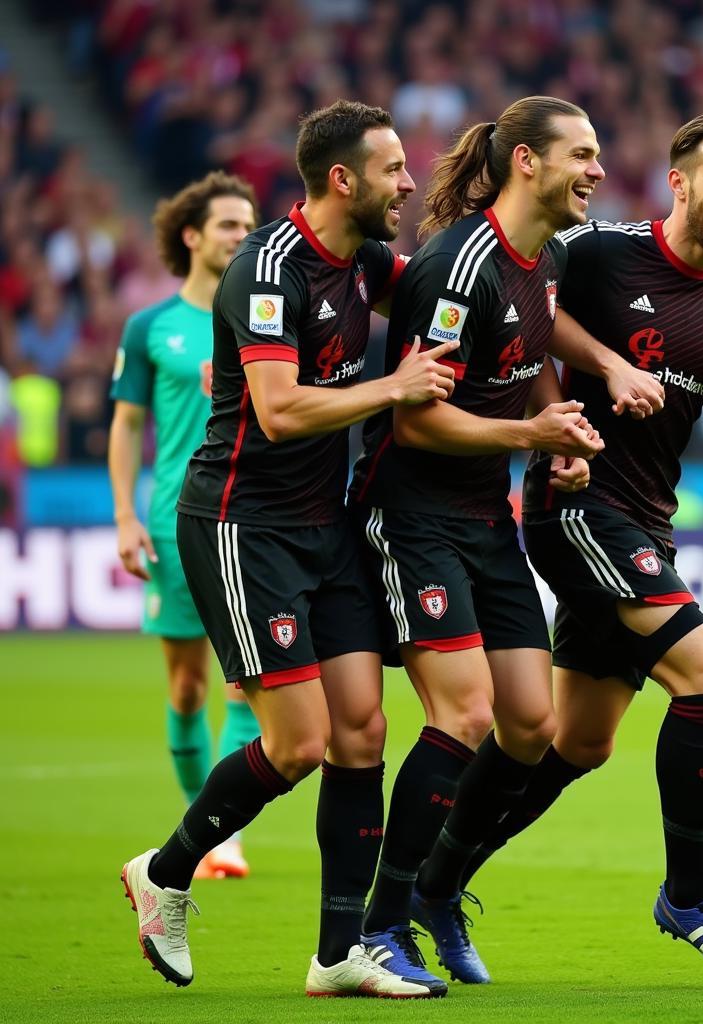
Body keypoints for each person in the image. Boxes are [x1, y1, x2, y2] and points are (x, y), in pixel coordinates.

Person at [120, 100, 461, 1000]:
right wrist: (393, 385)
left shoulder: (366, 264)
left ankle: (338, 952)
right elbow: (278, 411)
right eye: (393, 169)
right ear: (343, 178)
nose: (407, 184)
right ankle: (165, 871)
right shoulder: (267, 269)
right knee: (302, 742)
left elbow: (439, 286)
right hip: (243, 526)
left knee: (363, 730)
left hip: (328, 524)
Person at [454, 113, 703, 983]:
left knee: (576, 741)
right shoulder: (599, 251)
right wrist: (593, 380)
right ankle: (691, 894)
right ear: (678, 184)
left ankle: (430, 883)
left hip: (648, 519)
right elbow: (522, 315)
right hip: (577, 505)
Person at [347, 95, 664, 993]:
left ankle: (438, 890)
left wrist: (559, 408)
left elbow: (532, 343)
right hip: (412, 515)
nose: (599, 171)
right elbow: (415, 423)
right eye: (584, 154)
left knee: (533, 724)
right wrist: (534, 440)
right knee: (467, 715)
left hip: (484, 515)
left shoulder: (546, 255)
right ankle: (380, 926)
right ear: (526, 162)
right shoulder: (459, 265)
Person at [109, 171, 261, 881]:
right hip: (174, 522)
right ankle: (198, 818)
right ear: (192, 236)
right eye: (229, 224)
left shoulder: (263, 314)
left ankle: (219, 837)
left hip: (252, 518)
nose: (242, 235)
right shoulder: (150, 328)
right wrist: (124, 517)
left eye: (249, 224)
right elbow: (128, 423)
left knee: (245, 682)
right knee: (187, 688)